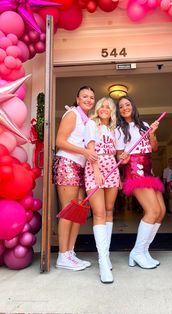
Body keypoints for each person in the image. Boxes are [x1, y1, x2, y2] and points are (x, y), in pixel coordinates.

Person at [115, 96, 166, 269]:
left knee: (161, 211)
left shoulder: (144, 125)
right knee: (152, 211)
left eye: (127, 104)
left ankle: (143, 250)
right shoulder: (119, 130)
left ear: (133, 106)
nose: (124, 108)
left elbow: (155, 148)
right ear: (119, 111)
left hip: (148, 170)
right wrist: (123, 158)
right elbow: (119, 158)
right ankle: (137, 252)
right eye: (121, 106)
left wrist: (152, 133)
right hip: (135, 171)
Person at [53, 86, 97, 271]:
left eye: (91, 97)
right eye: (85, 96)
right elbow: (59, 141)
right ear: (77, 99)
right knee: (68, 210)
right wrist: (84, 151)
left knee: (78, 212)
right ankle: (62, 256)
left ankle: (70, 252)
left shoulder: (87, 120)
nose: (88, 99)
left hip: (79, 167)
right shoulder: (72, 114)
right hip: (67, 164)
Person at [84, 97, 120, 283]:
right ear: (97, 109)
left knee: (108, 211)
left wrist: (126, 156)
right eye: (102, 106)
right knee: (98, 213)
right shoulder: (91, 124)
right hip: (95, 167)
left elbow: (119, 152)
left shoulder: (115, 129)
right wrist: (96, 170)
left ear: (112, 111)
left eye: (108, 107)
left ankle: (105, 255)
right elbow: (90, 149)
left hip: (113, 167)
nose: (104, 109)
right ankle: (103, 262)